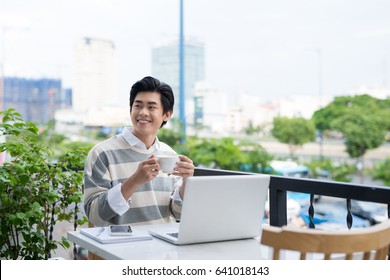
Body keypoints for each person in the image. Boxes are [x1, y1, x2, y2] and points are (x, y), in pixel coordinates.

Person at [83, 76, 195, 226]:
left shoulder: (170, 155)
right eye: (138, 106)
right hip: (118, 247)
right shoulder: (102, 153)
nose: (143, 112)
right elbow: (94, 215)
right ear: (131, 110)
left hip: (163, 246)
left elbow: (177, 214)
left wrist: (187, 183)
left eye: (151, 107)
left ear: (167, 114)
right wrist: (135, 180)